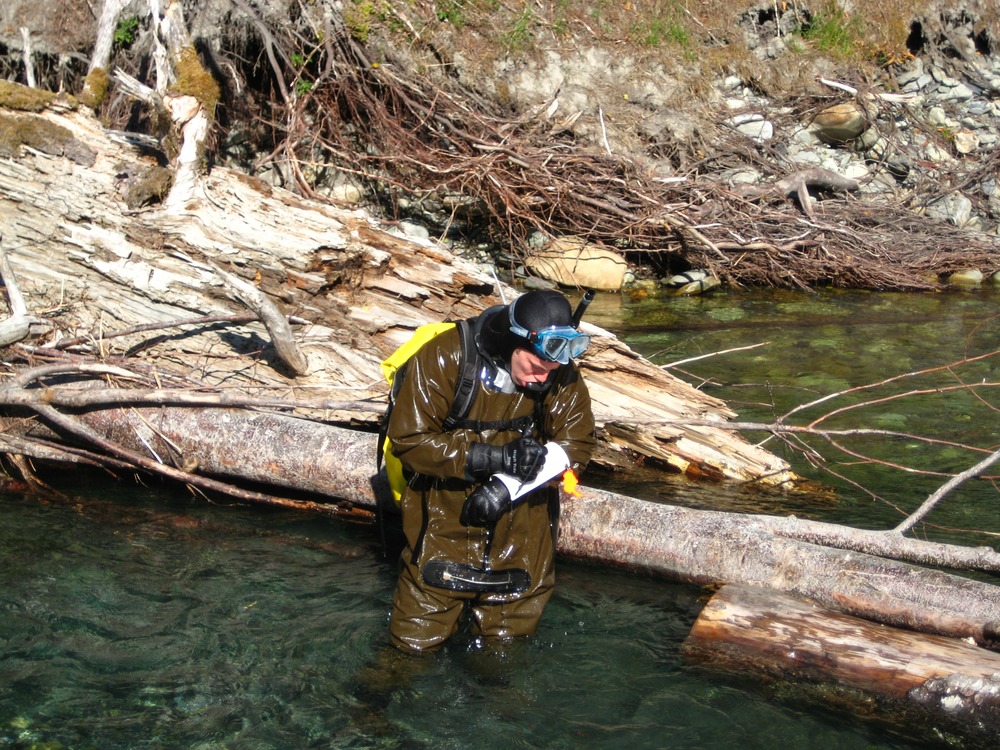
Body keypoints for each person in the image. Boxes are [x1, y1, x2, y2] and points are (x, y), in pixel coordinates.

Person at [385, 289, 596, 654]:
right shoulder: (445, 356)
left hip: (524, 532)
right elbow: (410, 441)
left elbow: (577, 442)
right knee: (410, 651)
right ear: (512, 341)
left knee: (504, 655)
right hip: (443, 521)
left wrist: (505, 485)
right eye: (534, 367)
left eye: (552, 369)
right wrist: (491, 458)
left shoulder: (556, 366)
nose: (541, 378)